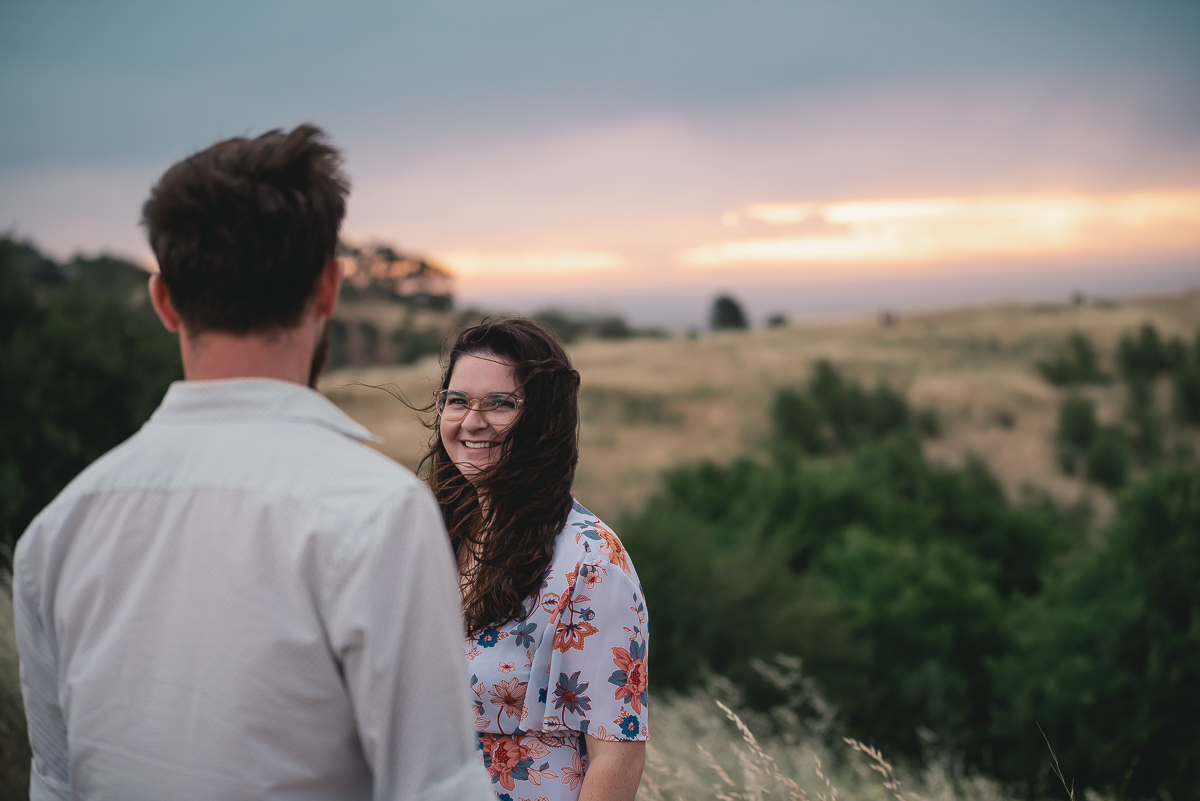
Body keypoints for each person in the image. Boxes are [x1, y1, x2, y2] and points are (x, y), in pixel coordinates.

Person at [13, 125, 493, 801]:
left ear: (165, 301)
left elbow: (55, 783)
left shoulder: (55, 532)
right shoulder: (378, 515)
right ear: (329, 289)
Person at [420, 318, 649, 801]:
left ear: (543, 420)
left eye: (500, 403)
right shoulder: (434, 535)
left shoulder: (590, 562)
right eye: (457, 400)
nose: (472, 420)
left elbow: (617, 753)